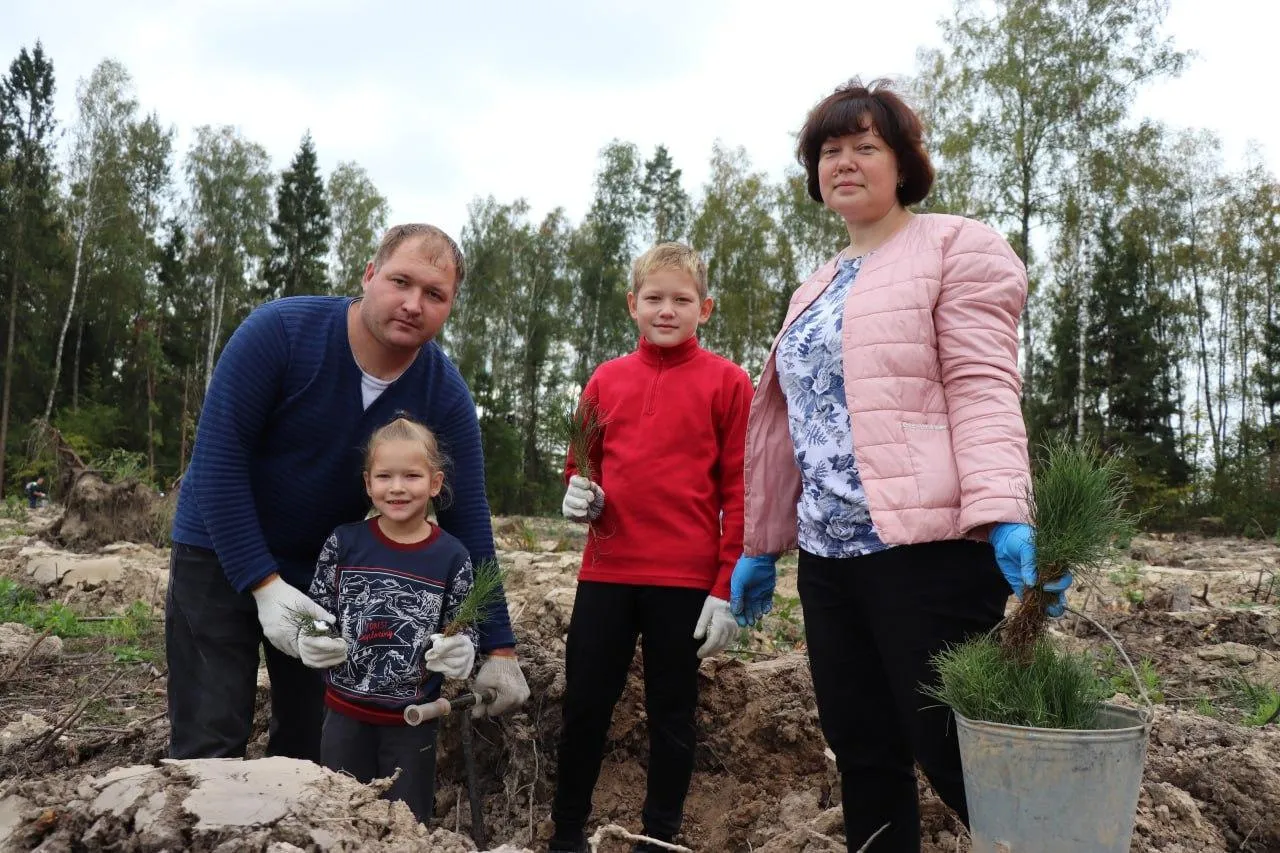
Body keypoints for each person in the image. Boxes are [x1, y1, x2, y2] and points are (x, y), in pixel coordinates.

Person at [728, 79, 1072, 852]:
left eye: (865, 146)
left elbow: (983, 387)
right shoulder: (812, 287)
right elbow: (793, 422)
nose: (844, 162)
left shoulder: (957, 247)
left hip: (927, 551)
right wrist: (761, 542)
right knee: (865, 754)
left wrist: (1007, 509)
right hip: (828, 557)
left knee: (957, 753)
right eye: (829, 150)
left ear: (904, 162)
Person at [165, 223, 530, 763]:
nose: (413, 304)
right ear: (369, 275)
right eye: (401, 281)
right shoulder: (279, 334)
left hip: (322, 571)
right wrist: (263, 585)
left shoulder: (443, 395)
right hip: (216, 550)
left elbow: (468, 519)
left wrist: (498, 645)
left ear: (450, 306)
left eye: (434, 294)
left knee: (312, 746)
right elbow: (219, 462)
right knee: (211, 737)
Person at [549, 242, 753, 853]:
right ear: (633, 304)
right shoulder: (606, 379)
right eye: (655, 299)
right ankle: (566, 833)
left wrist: (727, 584)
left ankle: (659, 837)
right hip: (607, 572)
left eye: (681, 300)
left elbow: (741, 489)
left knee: (672, 714)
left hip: (685, 582)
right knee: (585, 704)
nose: (667, 310)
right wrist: (576, 493)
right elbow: (579, 465)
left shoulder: (729, 382)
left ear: (705, 308)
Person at [298, 416, 477, 825]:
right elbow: (318, 609)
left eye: (411, 476)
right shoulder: (344, 543)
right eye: (385, 476)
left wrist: (463, 647)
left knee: (406, 821)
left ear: (435, 483)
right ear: (368, 483)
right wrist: (311, 637)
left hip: (412, 721)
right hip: (343, 714)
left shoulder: (452, 556)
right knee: (340, 814)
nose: (397, 487)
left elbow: (463, 625)